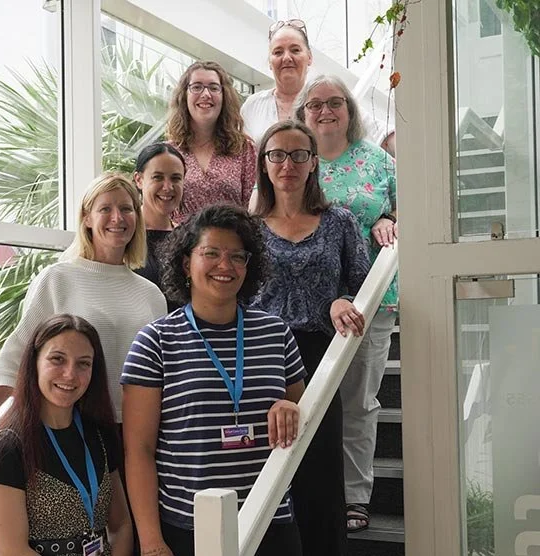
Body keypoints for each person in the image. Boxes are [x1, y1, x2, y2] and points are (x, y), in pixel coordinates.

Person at [0, 172, 167, 472]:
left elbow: (164, 373)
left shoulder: (151, 294)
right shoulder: (58, 278)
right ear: (86, 218)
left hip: (140, 436)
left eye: (126, 208)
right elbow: (17, 355)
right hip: (75, 430)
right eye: (105, 209)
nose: (117, 217)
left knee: (133, 521)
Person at [121, 205, 307, 556]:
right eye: (211, 253)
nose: (225, 266)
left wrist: (289, 406)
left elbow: (303, 416)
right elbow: (139, 450)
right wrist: (150, 540)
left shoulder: (276, 334)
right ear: (185, 263)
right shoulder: (155, 341)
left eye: (237, 256)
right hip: (187, 528)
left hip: (271, 518)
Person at [252, 120, 371, 555]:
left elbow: (362, 283)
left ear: (313, 162)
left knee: (320, 466)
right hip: (261, 355)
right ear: (264, 164)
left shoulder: (338, 221)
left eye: (299, 154)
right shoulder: (248, 227)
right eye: (277, 154)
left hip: (321, 355)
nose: (288, 164)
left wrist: (340, 300)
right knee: (267, 464)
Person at [295, 73, 398, 533]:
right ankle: (313, 493)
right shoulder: (298, 162)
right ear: (303, 114)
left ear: (349, 111)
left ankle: (355, 496)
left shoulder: (376, 160)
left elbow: (410, 204)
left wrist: (390, 218)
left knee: (358, 401)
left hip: (372, 299)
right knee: (313, 401)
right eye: (314, 104)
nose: (324, 111)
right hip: (312, 302)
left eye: (334, 102)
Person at [0, 314, 132, 555]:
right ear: (34, 362)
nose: (70, 374)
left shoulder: (100, 435)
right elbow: (13, 550)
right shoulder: (7, 449)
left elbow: (120, 525)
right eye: (57, 359)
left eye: (83, 363)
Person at [240, 19, 396, 154]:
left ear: (309, 58)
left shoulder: (330, 100)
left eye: (295, 50)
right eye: (278, 52)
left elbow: (383, 134)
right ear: (269, 62)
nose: (286, 58)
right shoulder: (253, 107)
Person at [165, 61, 256, 221]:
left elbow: (256, 211)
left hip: (232, 242)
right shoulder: (168, 152)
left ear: (224, 96)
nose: (206, 94)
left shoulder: (244, 149)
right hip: (179, 243)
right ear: (184, 95)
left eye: (214, 88)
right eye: (197, 87)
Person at [133, 142, 185, 310]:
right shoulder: (122, 232)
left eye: (176, 178)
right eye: (158, 177)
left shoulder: (188, 237)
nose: (168, 187)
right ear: (139, 180)